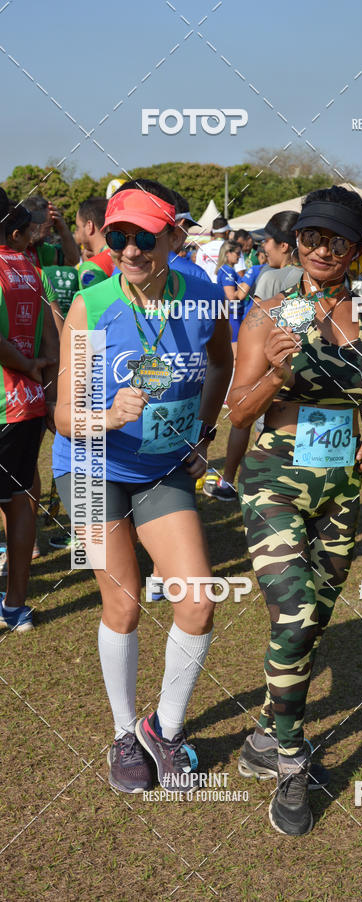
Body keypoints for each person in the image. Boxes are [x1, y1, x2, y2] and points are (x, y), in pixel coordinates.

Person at [52, 181, 233, 793]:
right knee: (124, 604)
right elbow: (63, 416)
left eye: (144, 238)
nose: (130, 250)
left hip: (160, 468)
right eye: (118, 236)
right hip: (89, 466)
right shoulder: (94, 304)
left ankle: (167, 730)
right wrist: (105, 417)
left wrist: (203, 435)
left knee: (198, 598)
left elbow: (222, 362)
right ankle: (125, 733)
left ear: (175, 237)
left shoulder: (203, 295)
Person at [229, 185, 362, 836]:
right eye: (313, 237)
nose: (324, 249)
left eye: (338, 239)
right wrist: (275, 377)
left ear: (356, 249)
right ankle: (293, 761)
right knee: (293, 613)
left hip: (341, 486)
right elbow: (237, 410)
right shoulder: (270, 312)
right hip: (275, 478)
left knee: (314, 620)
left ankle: (267, 733)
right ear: (297, 244)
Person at [205, 213, 298, 502]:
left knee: (243, 421)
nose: (262, 248)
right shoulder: (308, 279)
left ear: (284, 246)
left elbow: (258, 325)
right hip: (299, 394)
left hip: (270, 377)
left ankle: (229, 481)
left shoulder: (271, 277)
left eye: (267, 241)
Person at [0, 189, 59, 632]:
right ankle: (15, 604)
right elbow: (51, 338)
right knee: (21, 501)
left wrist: (23, 363)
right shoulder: (29, 267)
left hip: (8, 399)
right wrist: (46, 380)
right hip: (26, 406)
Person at [22, 195, 79, 267]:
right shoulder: (9, 249)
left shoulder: (39, 249)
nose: (49, 233)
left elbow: (72, 260)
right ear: (34, 224)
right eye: (47, 228)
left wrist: (62, 228)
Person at [75, 198, 113, 289]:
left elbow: (93, 302)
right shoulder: (124, 255)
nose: (77, 233)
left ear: (89, 226)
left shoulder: (92, 266)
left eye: (78, 227)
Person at [196, 216, 244, 282]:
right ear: (227, 232)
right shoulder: (234, 248)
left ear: (213, 232)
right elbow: (240, 273)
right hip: (226, 289)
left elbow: (197, 272)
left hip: (206, 288)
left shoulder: (202, 249)